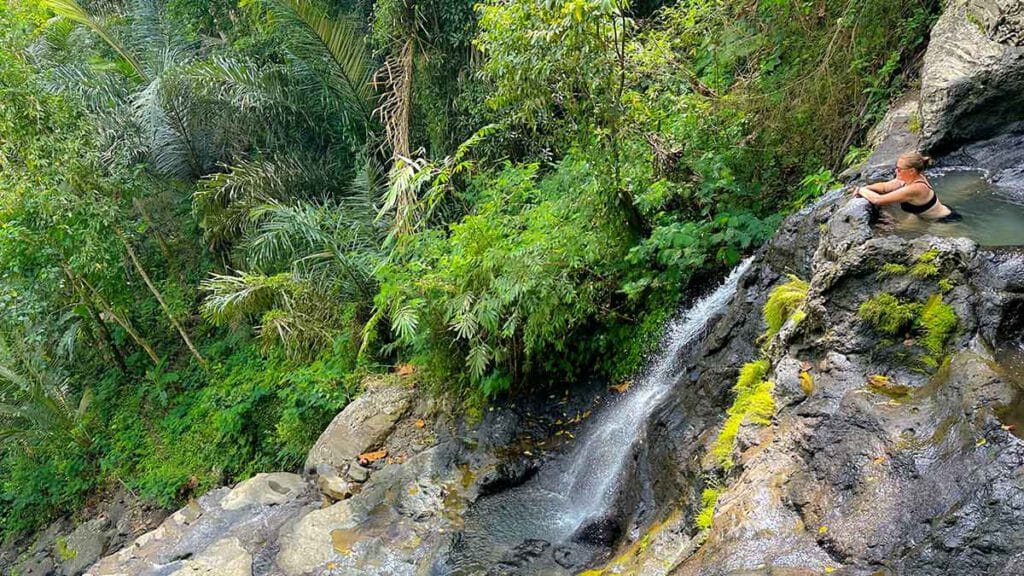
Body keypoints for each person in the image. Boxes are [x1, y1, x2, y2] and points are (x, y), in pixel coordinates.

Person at [851, 152, 962, 222]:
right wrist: (868, 188)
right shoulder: (907, 179)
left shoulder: (917, 188)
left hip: (942, 220)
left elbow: (878, 200)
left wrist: (861, 190)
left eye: (899, 169)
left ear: (911, 171)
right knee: (893, 227)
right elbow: (885, 187)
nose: (896, 171)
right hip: (921, 216)